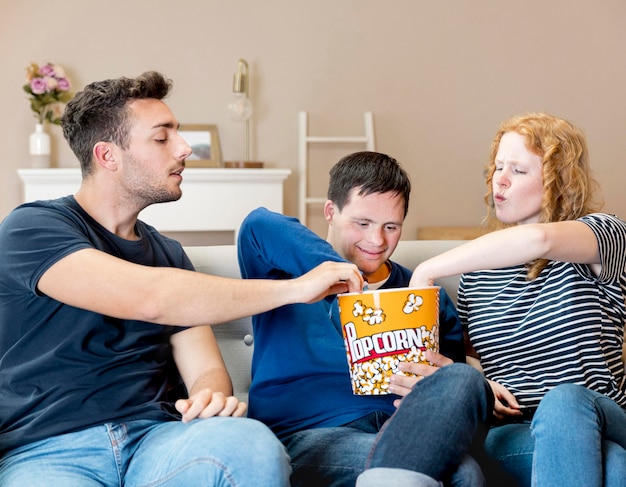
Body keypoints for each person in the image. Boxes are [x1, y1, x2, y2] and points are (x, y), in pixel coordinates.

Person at [0, 71, 365, 487]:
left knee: (252, 445)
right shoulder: (32, 228)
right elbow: (149, 297)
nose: (185, 148)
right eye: (162, 138)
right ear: (107, 156)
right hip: (50, 451)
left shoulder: (169, 253)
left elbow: (206, 367)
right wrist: (295, 289)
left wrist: (209, 393)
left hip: (158, 441)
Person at [237, 151, 494, 487]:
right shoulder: (284, 273)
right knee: (459, 475)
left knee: (467, 470)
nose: (377, 241)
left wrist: (434, 379)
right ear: (330, 212)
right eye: (362, 224)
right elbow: (257, 225)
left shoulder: (424, 294)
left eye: (391, 227)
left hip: (404, 432)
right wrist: (344, 278)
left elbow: (449, 390)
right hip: (308, 434)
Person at [409, 112, 626, 487]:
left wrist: (426, 270)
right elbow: (471, 355)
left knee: (565, 401)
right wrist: (468, 380)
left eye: (519, 171)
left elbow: (538, 240)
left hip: (603, 415)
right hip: (516, 429)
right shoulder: (477, 273)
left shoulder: (603, 236)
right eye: (497, 168)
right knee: (618, 467)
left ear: (559, 180)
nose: (501, 181)